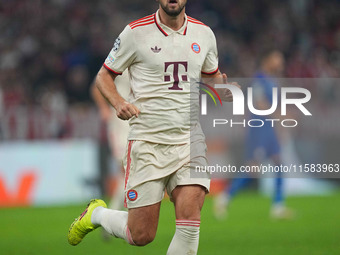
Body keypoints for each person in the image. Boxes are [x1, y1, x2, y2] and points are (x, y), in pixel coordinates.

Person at [68, 0, 235, 254]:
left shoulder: (204, 34)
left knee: (190, 218)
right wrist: (118, 103)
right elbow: (104, 76)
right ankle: (97, 214)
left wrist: (222, 88)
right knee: (141, 235)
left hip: (189, 140)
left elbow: (211, 76)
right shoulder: (135, 33)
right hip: (147, 142)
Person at [214, 50, 294, 220]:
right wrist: (280, 117)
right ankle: (225, 197)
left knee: (279, 163)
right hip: (259, 129)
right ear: (267, 59)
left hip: (270, 128)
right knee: (252, 168)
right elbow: (259, 104)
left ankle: (278, 206)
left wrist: (279, 126)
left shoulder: (273, 81)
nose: (280, 62)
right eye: (277, 58)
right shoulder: (258, 80)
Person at [91, 71, 130, 239]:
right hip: (120, 124)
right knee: (126, 170)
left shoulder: (148, 55)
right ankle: (110, 218)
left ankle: (111, 219)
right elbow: (96, 86)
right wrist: (104, 109)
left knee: (131, 172)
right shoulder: (123, 55)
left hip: (139, 122)